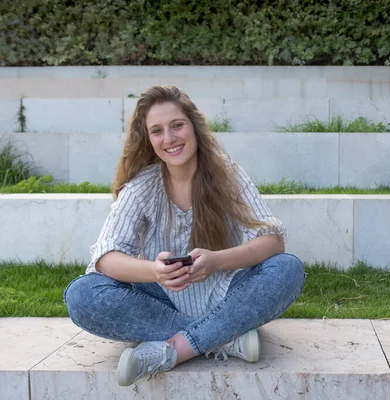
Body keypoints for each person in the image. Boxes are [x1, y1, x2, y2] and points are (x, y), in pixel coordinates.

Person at [63, 85, 305, 387]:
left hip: (227, 290)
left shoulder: (226, 173)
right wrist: (155, 271)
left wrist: (216, 261)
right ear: (148, 139)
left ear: (194, 125)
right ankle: (224, 338)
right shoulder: (141, 187)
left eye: (177, 125)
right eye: (157, 131)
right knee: (82, 295)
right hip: (161, 299)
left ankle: (176, 348)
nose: (169, 139)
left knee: (288, 268)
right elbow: (105, 258)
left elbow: (272, 240)